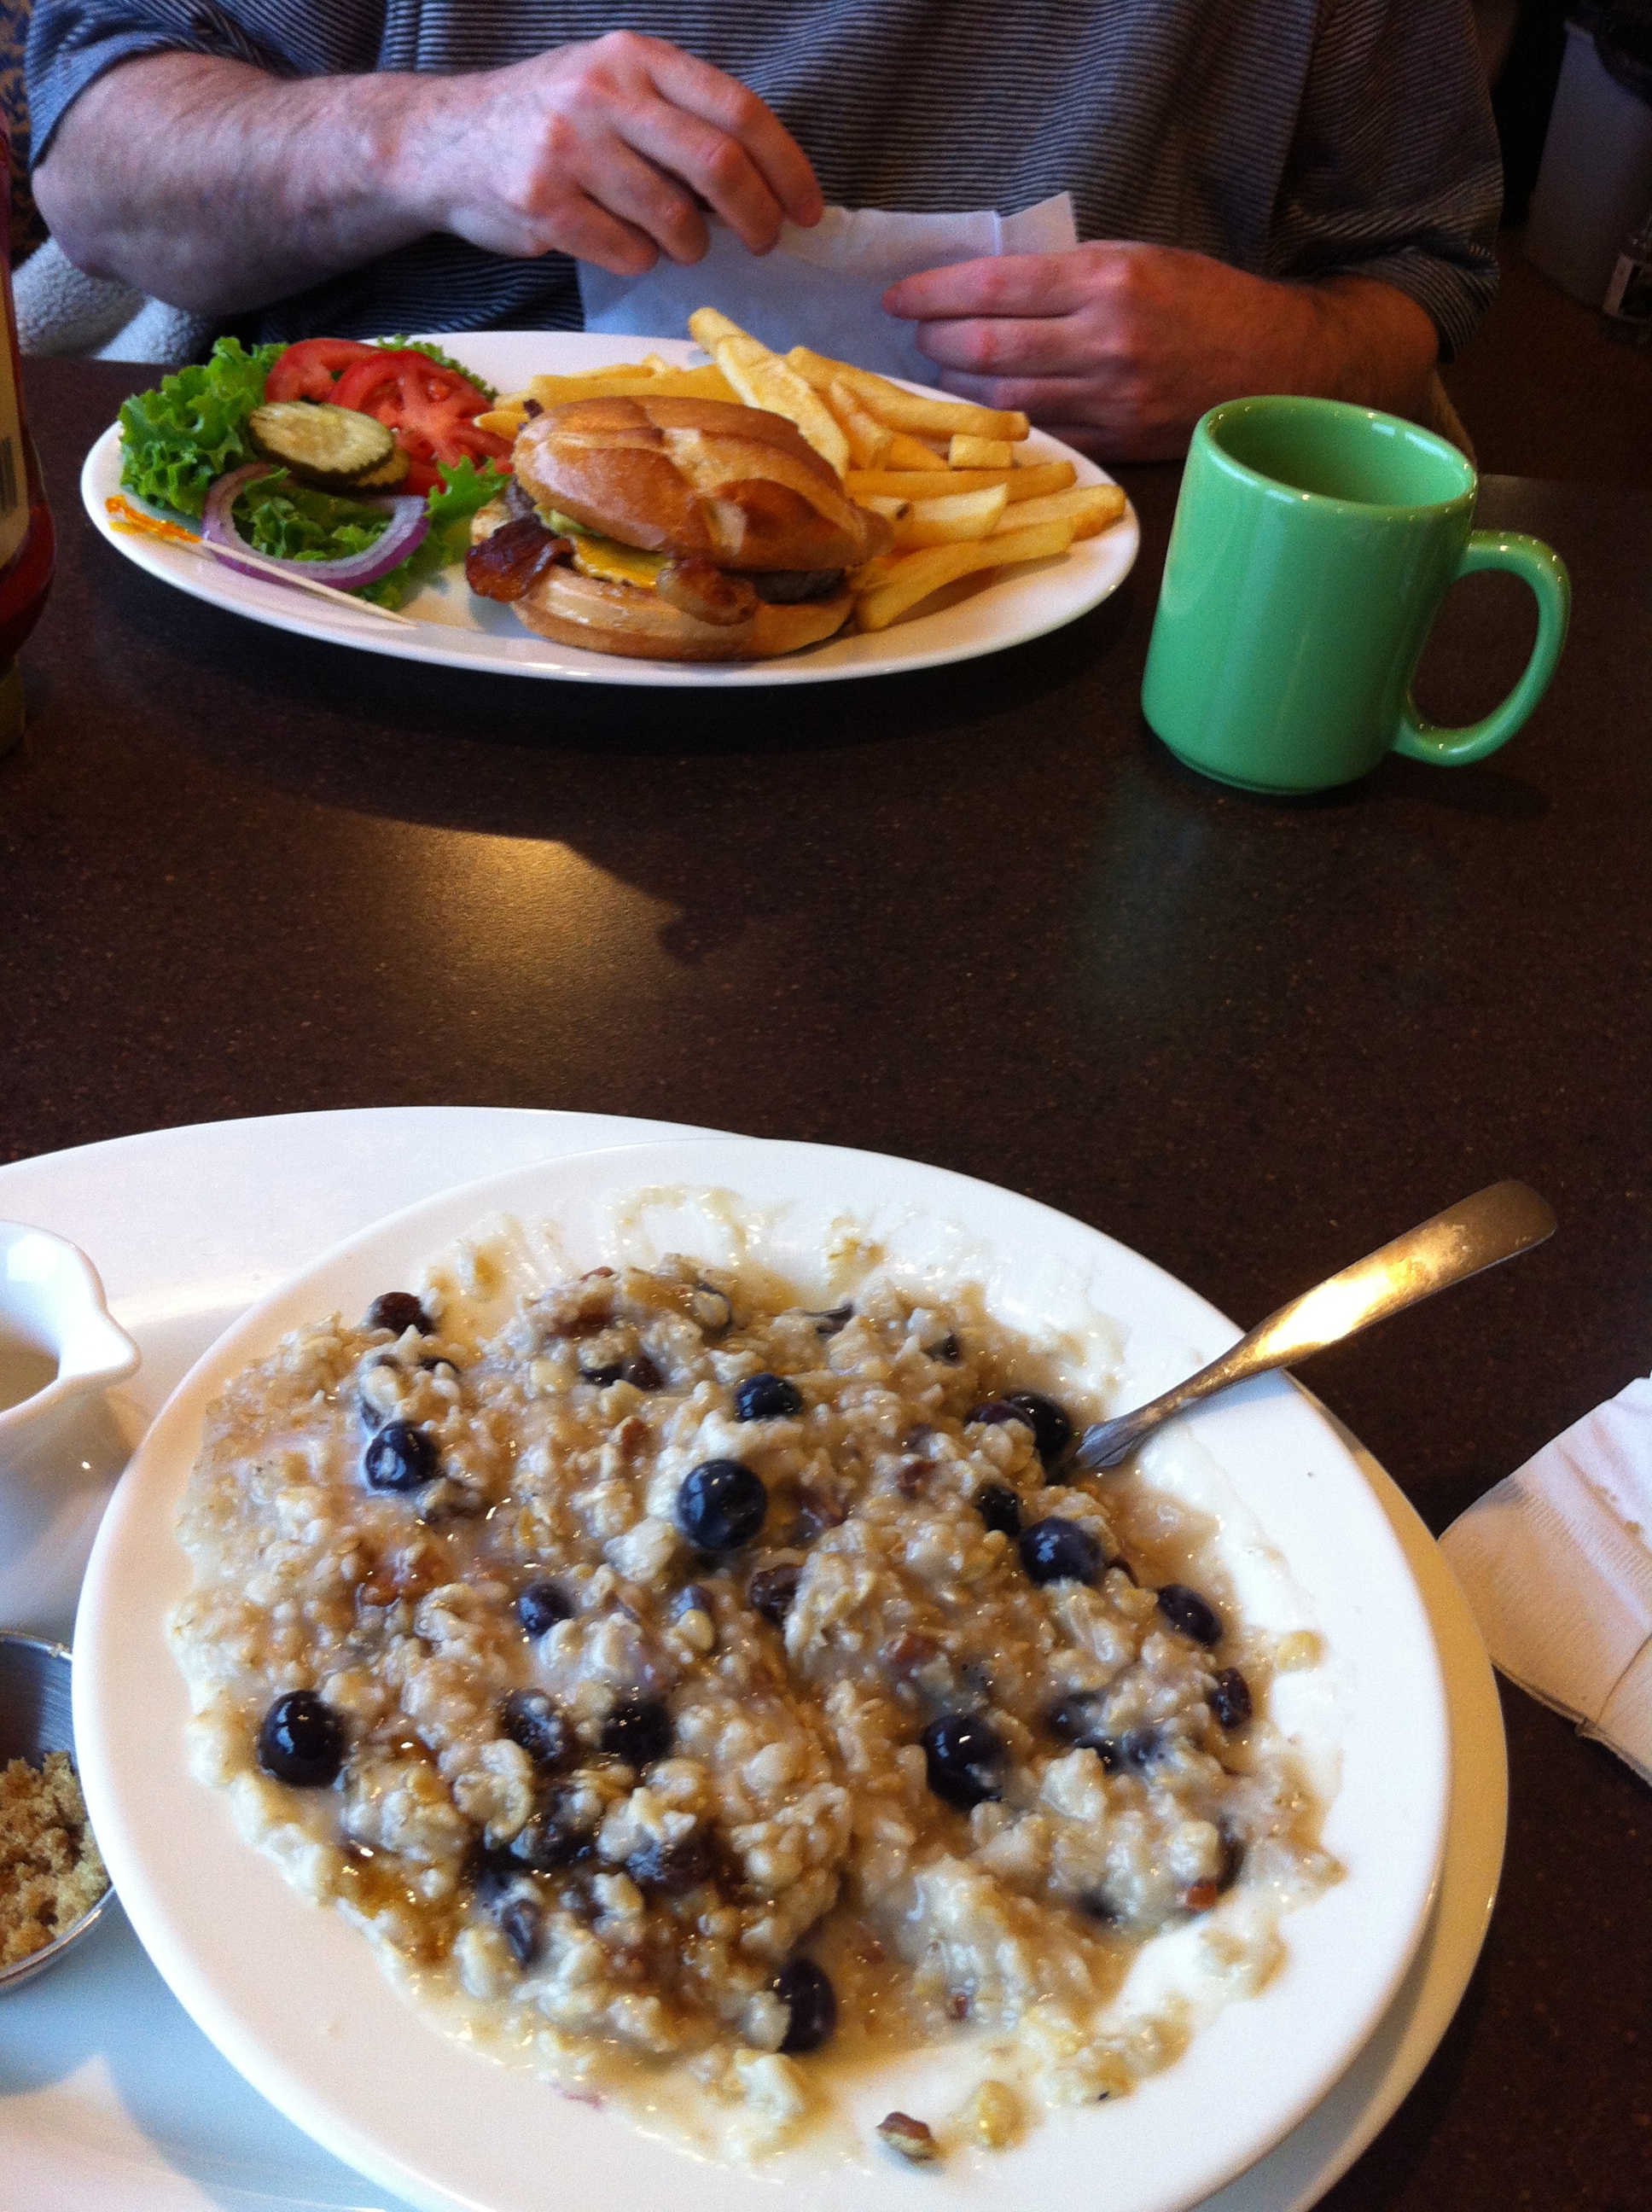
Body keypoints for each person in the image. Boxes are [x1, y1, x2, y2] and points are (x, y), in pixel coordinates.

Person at [26, 3, 1501, 459]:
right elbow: (95, 169)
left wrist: (1284, 352)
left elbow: (1428, 260)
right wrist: (424, 136)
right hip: (403, 599)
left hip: (1078, 643)